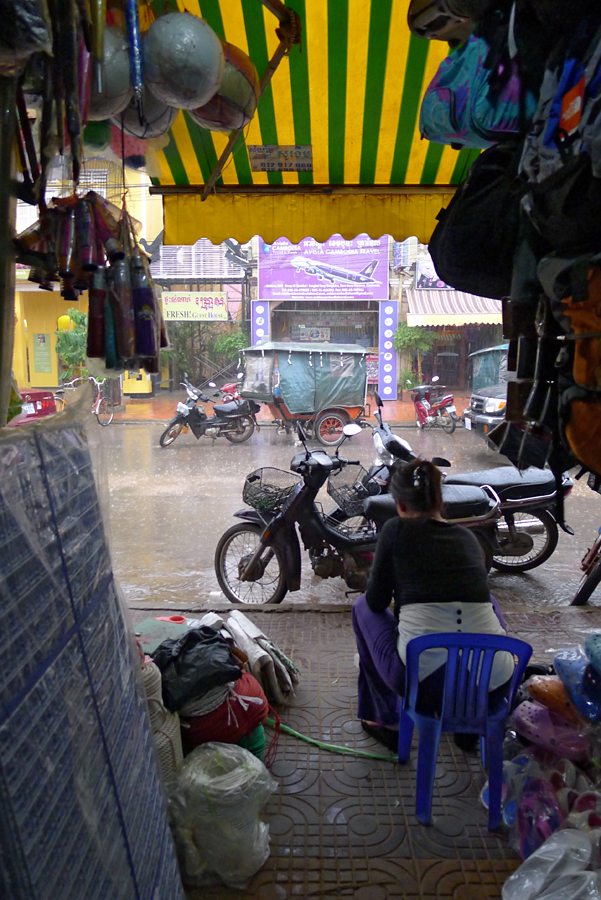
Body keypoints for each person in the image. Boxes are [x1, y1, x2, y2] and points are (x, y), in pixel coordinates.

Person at [352, 458, 514, 751]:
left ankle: (384, 720)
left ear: (400, 504)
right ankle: (468, 731)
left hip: (426, 685)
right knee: (488, 602)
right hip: (494, 681)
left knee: (361, 608)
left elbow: (376, 602)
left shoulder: (395, 530)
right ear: (440, 499)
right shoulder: (467, 538)